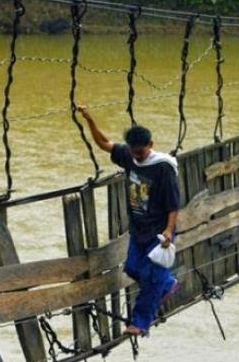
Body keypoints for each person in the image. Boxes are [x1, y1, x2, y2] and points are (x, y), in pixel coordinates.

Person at [79, 105, 180, 336]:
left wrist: (168, 231)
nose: (137, 156)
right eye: (134, 152)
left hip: (158, 231)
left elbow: (173, 204)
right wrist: (90, 119)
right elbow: (105, 144)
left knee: (151, 279)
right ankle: (167, 283)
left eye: (141, 152)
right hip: (138, 230)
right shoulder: (130, 157)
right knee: (133, 269)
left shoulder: (163, 168)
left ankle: (139, 323)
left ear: (150, 145)